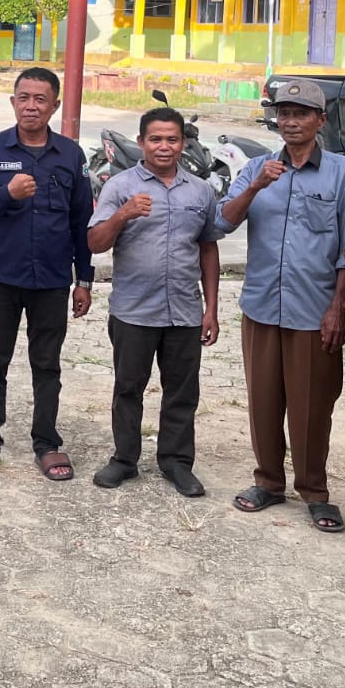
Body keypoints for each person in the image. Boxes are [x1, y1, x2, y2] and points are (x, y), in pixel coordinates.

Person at [217, 79, 345, 533]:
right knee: (263, 400)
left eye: (301, 114)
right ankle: (268, 481)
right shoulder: (257, 168)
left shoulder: (344, 173)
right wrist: (256, 186)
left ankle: (315, 492)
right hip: (261, 305)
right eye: (283, 113)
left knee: (312, 406)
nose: (291, 121)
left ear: (321, 121)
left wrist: (338, 308)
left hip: (314, 311)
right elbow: (223, 221)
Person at [0, 67, 93, 481]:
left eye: (40, 99)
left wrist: (84, 280)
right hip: (0, 275)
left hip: (51, 278)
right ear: (13, 101)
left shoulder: (70, 155)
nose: (31, 106)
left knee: (47, 364)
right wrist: (7, 193)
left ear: (54, 105)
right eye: (24, 97)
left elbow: (81, 220)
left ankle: (47, 443)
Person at [86, 106, 221, 497]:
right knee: (128, 388)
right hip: (133, 311)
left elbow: (208, 249)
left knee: (182, 393)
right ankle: (124, 460)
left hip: (184, 311)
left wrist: (211, 308)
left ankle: (176, 462)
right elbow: (95, 243)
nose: (164, 146)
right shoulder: (120, 186)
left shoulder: (200, 190)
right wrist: (123, 215)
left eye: (172, 139)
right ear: (142, 142)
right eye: (156, 139)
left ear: (183, 143)